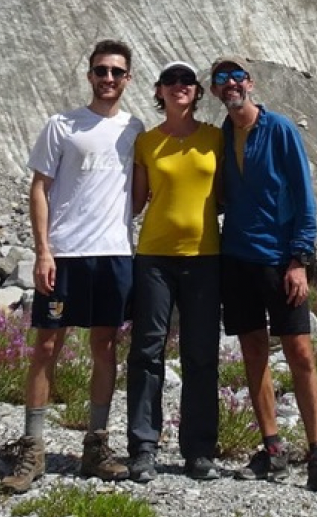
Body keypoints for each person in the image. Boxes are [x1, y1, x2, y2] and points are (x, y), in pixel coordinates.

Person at [1, 40, 144, 493]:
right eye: (101, 70)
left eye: (116, 71)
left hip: (114, 253)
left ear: (128, 78)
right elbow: (39, 187)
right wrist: (43, 250)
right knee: (47, 346)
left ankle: (95, 445)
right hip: (64, 254)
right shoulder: (61, 125)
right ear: (89, 75)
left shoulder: (134, 129)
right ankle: (33, 447)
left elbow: (139, 192)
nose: (108, 78)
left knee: (105, 346)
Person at [209, 56, 317, 499]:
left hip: (279, 260)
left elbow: (305, 197)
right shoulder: (221, 135)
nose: (231, 84)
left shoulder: (281, 129)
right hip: (237, 258)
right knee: (253, 352)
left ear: (250, 83)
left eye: (237, 77)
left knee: (300, 353)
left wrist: (299, 259)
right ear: (215, 90)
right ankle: (272, 447)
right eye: (222, 79)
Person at [126, 61, 223, 483]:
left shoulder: (216, 138)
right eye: (170, 81)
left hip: (205, 257)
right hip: (154, 257)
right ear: (159, 90)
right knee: (147, 351)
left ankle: (199, 450)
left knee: (201, 354)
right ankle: (143, 447)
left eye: (187, 81)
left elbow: (228, 193)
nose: (179, 86)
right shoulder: (147, 142)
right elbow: (136, 201)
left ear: (197, 92)